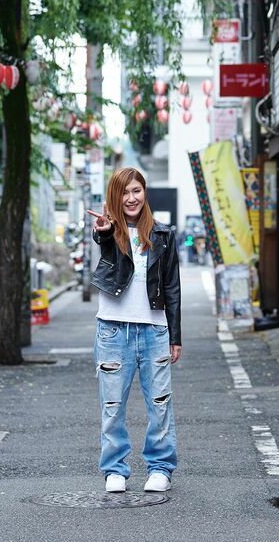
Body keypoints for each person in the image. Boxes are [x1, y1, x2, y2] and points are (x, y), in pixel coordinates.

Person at [88, 166, 181, 495]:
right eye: (124, 192)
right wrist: (103, 231)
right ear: (116, 196)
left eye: (136, 191)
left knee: (160, 403)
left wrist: (175, 336)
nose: (131, 198)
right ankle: (114, 469)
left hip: (154, 331)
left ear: (145, 193)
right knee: (112, 405)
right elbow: (105, 244)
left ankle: (160, 468)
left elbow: (172, 287)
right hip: (113, 331)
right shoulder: (109, 232)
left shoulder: (163, 235)